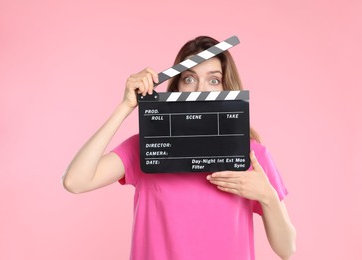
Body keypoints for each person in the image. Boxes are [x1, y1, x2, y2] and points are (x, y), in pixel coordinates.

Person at [63, 36, 296, 260]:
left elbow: (286, 249)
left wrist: (268, 197)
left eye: (213, 80)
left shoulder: (252, 156)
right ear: (177, 87)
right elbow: (75, 181)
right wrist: (125, 106)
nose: (200, 89)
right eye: (189, 79)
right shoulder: (147, 146)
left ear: (227, 88)